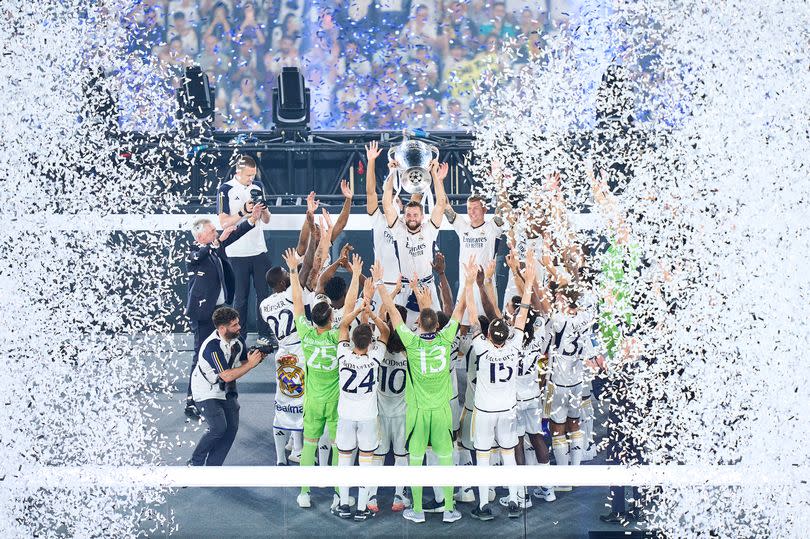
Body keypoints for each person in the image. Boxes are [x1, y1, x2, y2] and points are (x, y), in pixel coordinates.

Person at [372, 256, 473, 524]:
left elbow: (393, 314)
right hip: (441, 411)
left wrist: (381, 283)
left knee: (415, 461)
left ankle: (417, 510)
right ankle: (449, 508)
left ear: (419, 325)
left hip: (417, 414)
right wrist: (469, 281)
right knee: (445, 460)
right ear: (438, 326)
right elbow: (459, 309)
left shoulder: (412, 343)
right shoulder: (445, 339)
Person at [466, 254, 536, 520]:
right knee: (509, 456)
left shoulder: (481, 347)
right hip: (508, 409)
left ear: (488, 336)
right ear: (506, 335)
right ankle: (516, 500)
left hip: (484, 411)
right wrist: (528, 281)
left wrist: (471, 283)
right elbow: (523, 314)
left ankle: (484, 506)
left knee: (483, 458)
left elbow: (473, 315)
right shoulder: (515, 344)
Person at [184, 205, 263, 419]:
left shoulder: (213, 247)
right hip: (202, 315)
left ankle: (225, 389)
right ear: (200, 235)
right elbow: (201, 253)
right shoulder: (195, 252)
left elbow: (232, 236)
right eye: (211, 232)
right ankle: (192, 400)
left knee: (229, 347)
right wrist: (217, 242)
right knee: (200, 353)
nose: (216, 234)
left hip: (218, 311)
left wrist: (251, 220)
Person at [282, 243, 345, 511]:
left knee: (309, 446)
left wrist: (294, 273)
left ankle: (304, 493)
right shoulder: (337, 335)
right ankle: (337, 495)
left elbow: (297, 304)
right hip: (334, 401)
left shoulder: (306, 334)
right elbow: (350, 304)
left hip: (313, 401)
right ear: (331, 318)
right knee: (335, 447)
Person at [333, 264, 390, 521]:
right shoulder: (376, 356)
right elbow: (386, 332)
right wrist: (372, 314)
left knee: (345, 462)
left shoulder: (343, 353)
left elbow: (343, 324)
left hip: (346, 414)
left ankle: (344, 504)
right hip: (368, 416)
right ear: (370, 342)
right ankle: (361, 508)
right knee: (366, 462)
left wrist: (358, 309)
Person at [188, 307, 266, 466]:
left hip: (226, 390)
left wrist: (257, 358)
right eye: (234, 325)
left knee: (231, 429)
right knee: (218, 428)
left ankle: (213, 468)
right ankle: (194, 463)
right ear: (222, 328)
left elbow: (244, 362)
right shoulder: (212, 347)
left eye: (238, 323)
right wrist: (250, 365)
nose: (239, 327)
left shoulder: (238, 340)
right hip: (205, 391)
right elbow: (226, 375)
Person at [382, 160, 449, 324]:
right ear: (404, 216)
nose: (412, 218)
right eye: (409, 215)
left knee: (435, 328)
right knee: (399, 331)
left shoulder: (429, 230)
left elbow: (441, 204)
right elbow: (386, 205)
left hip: (427, 287)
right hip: (404, 290)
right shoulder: (399, 230)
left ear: (422, 216)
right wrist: (392, 173)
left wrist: (435, 176)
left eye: (415, 215)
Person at [216, 155, 272, 343]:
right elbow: (223, 222)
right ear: (238, 172)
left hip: (258, 250)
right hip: (236, 253)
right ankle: (239, 337)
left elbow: (267, 220)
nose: (251, 179)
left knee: (264, 295)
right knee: (240, 298)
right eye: (248, 175)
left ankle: (264, 334)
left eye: (253, 175)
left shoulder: (258, 187)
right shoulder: (226, 189)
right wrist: (243, 212)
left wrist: (263, 210)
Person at [444, 194, 505, 331]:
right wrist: (439, 180)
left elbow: (502, 207)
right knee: (463, 327)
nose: (471, 212)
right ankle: (461, 353)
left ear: (484, 209)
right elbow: (445, 206)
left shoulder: (492, 228)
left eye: (475, 208)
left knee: (489, 324)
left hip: (485, 286)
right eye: (469, 208)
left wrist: (500, 180)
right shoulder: (463, 227)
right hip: (466, 285)